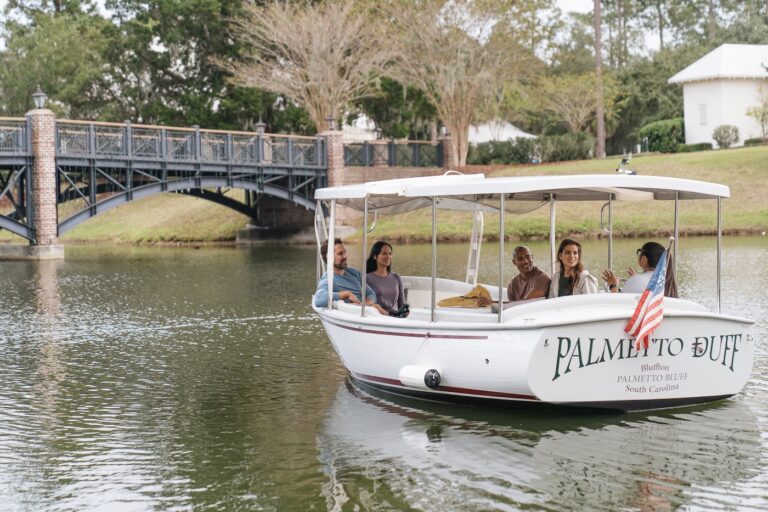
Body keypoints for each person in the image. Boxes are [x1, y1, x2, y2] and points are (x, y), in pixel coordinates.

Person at [314, 238, 387, 314]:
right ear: (329, 258)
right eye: (340, 254)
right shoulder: (328, 280)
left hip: (370, 312)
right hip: (356, 316)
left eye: (345, 252)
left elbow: (371, 294)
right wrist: (346, 294)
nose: (345, 256)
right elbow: (318, 299)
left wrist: (365, 305)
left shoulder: (353, 272)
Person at [478, 245, 551, 306]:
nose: (525, 261)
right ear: (514, 262)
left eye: (528, 257)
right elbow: (512, 308)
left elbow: (527, 304)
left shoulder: (541, 277)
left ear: (532, 257)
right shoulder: (512, 285)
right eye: (520, 258)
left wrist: (493, 302)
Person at [365, 241, 408, 317]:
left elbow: (402, 305)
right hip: (377, 318)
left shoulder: (396, 277)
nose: (388, 256)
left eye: (390, 253)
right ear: (375, 256)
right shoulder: (367, 278)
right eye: (384, 253)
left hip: (396, 319)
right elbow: (365, 304)